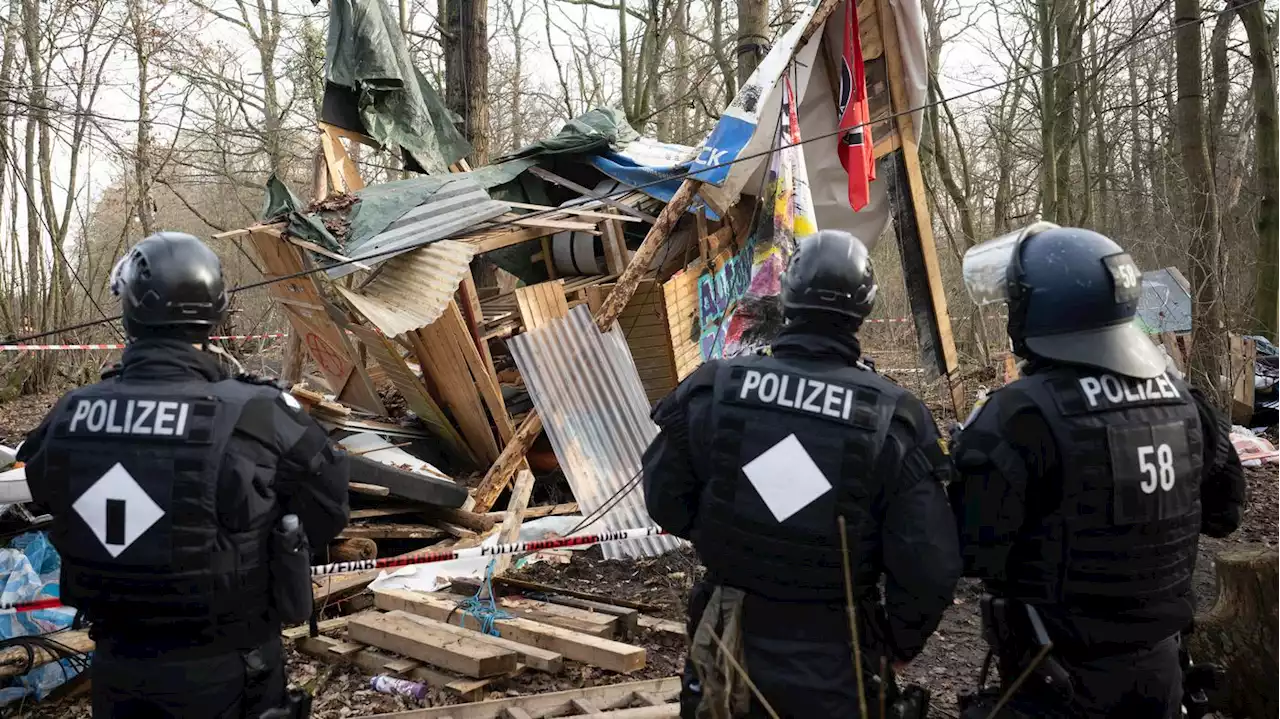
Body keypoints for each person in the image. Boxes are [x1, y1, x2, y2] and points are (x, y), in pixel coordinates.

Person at [17, 232, 350, 719]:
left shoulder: (71, 413)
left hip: (116, 671)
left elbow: (48, 494)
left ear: (128, 312)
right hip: (232, 672)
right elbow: (327, 515)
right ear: (216, 313)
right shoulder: (260, 413)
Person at [642, 229, 961, 718]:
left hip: (729, 640)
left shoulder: (716, 388)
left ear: (786, 295)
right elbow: (928, 563)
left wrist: (729, 540)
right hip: (839, 653)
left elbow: (664, 498)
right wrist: (899, 642)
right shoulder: (894, 418)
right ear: (865, 309)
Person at [948, 223, 1245, 719]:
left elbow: (971, 549)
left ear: (1036, 312)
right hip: (1163, 672)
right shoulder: (1187, 403)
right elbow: (1224, 516)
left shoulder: (1019, 416)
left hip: (1055, 679)